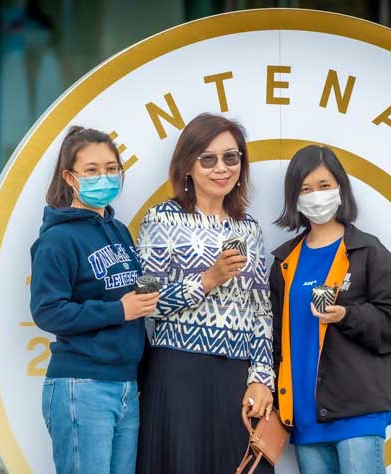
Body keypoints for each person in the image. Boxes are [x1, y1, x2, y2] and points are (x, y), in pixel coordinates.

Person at [136, 113, 275, 474]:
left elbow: (261, 312)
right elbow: (146, 304)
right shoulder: (159, 220)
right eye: (207, 158)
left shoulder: (250, 229)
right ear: (187, 166)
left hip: (235, 378)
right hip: (178, 374)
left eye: (231, 157)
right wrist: (206, 280)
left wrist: (262, 377)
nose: (221, 168)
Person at [269, 145, 391, 474]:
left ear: (341, 189)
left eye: (324, 186)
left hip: (358, 414)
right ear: (294, 198)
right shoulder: (284, 260)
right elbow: (275, 336)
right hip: (304, 417)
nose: (316, 196)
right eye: (305, 189)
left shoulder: (368, 251)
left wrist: (348, 315)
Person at [30, 126, 159, 474]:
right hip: (82, 385)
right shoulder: (57, 240)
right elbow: (47, 311)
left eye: (112, 168)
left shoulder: (119, 232)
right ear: (70, 177)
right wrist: (121, 309)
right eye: (91, 170)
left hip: (125, 386)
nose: (104, 177)